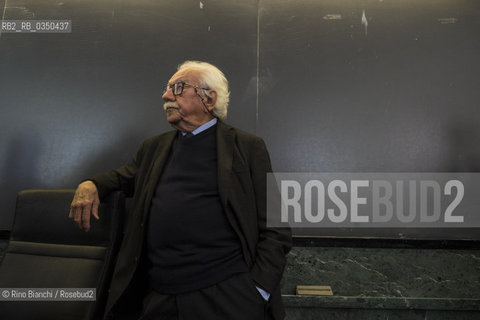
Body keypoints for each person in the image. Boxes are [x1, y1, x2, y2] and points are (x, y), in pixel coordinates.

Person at [69, 61, 292, 320]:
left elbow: (276, 228)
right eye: (167, 89)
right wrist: (91, 184)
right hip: (157, 296)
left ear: (209, 98)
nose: (165, 96)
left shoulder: (247, 147)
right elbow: (120, 178)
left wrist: (257, 290)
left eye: (178, 88)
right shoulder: (153, 148)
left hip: (227, 297)